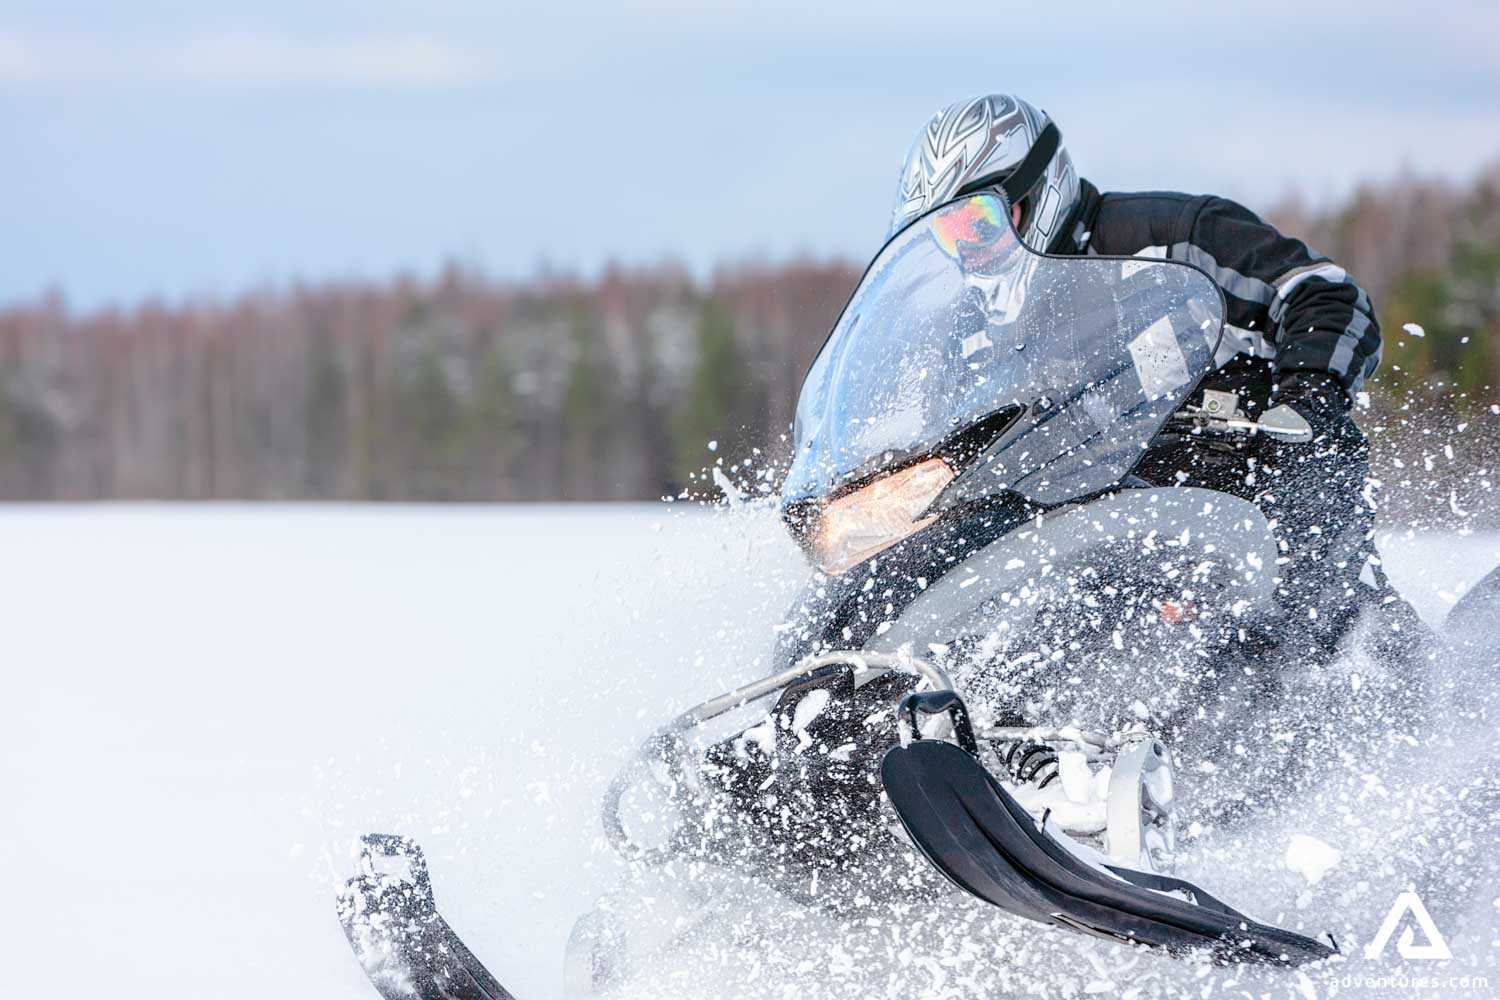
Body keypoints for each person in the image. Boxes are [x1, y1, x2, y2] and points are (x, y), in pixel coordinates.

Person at [890, 93, 1417, 659]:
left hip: (1245, 485)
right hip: (1097, 532)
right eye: (948, 233)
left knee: (1307, 575)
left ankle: (1356, 667)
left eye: (978, 222)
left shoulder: (1172, 240)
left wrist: (1309, 394)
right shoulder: (973, 331)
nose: (967, 248)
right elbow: (956, 438)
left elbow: (1323, 293)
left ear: (1037, 191)